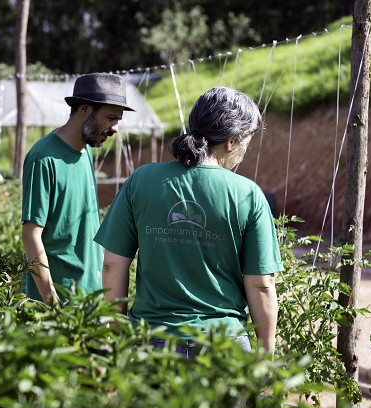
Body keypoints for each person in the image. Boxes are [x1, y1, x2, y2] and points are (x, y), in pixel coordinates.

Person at [94, 86, 283, 355]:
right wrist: (266, 352)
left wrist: (116, 336)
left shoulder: (142, 180)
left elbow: (112, 265)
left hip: (152, 341)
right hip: (222, 345)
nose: (244, 152)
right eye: (246, 142)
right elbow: (261, 284)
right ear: (231, 141)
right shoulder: (247, 195)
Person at [21, 73, 134, 305]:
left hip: (89, 297)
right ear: (84, 110)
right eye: (111, 118)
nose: (115, 129)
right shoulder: (44, 158)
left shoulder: (85, 152)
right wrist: (51, 303)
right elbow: (31, 236)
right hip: (58, 301)